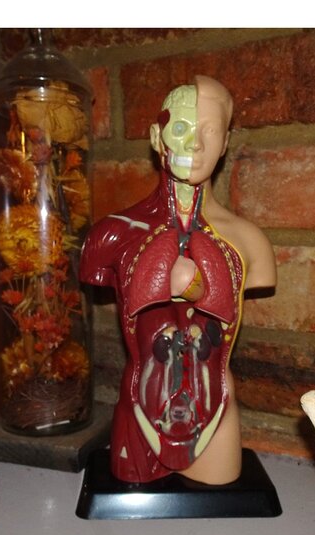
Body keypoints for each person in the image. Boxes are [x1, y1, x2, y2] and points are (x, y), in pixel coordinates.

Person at [80, 75, 276, 484]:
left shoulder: (249, 242)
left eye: (210, 131)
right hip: (138, 411)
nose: (195, 144)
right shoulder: (111, 235)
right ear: (157, 137)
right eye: (182, 127)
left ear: (225, 143)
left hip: (217, 408)